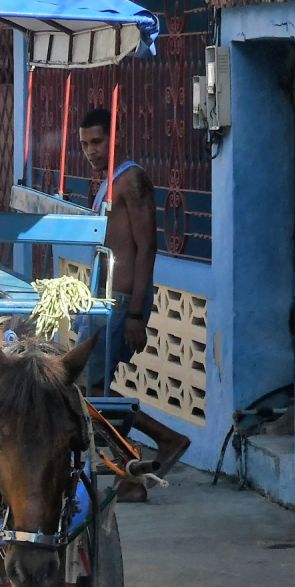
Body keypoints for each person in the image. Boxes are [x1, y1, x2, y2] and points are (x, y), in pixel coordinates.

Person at [77, 106, 191, 501]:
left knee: (89, 392)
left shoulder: (132, 179)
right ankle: (134, 471)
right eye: (85, 144)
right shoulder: (107, 182)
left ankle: (156, 447)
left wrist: (137, 313)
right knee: (91, 392)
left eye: (98, 142)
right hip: (101, 300)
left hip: (121, 303)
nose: (91, 151)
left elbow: (147, 248)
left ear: (115, 138)